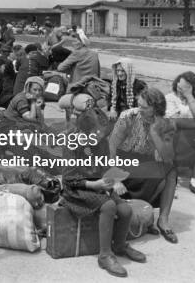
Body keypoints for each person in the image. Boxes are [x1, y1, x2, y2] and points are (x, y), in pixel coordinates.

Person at [62, 110, 145, 278]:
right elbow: (69, 178)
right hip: (76, 189)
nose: (102, 135)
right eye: (97, 132)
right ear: (84, 131)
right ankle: (105, 255)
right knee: (108, 205)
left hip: (99, 184)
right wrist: (93, 184)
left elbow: (105, 168)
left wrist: (115, 180)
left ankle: (120, 246)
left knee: (125, 211)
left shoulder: (102, 142)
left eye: (103, 131)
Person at [109, 88, 179, 244]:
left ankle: (163, 220)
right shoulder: (128, 116)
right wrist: (114, 178)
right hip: (123, 161)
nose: (139, 109)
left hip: (145, 162)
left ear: (156, 108)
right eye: (138, 104)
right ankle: (139, 217)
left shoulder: (166, 122)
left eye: (144, 107)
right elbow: (111, 148)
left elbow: (167, 157)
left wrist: (155, 132)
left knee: (171, 171)